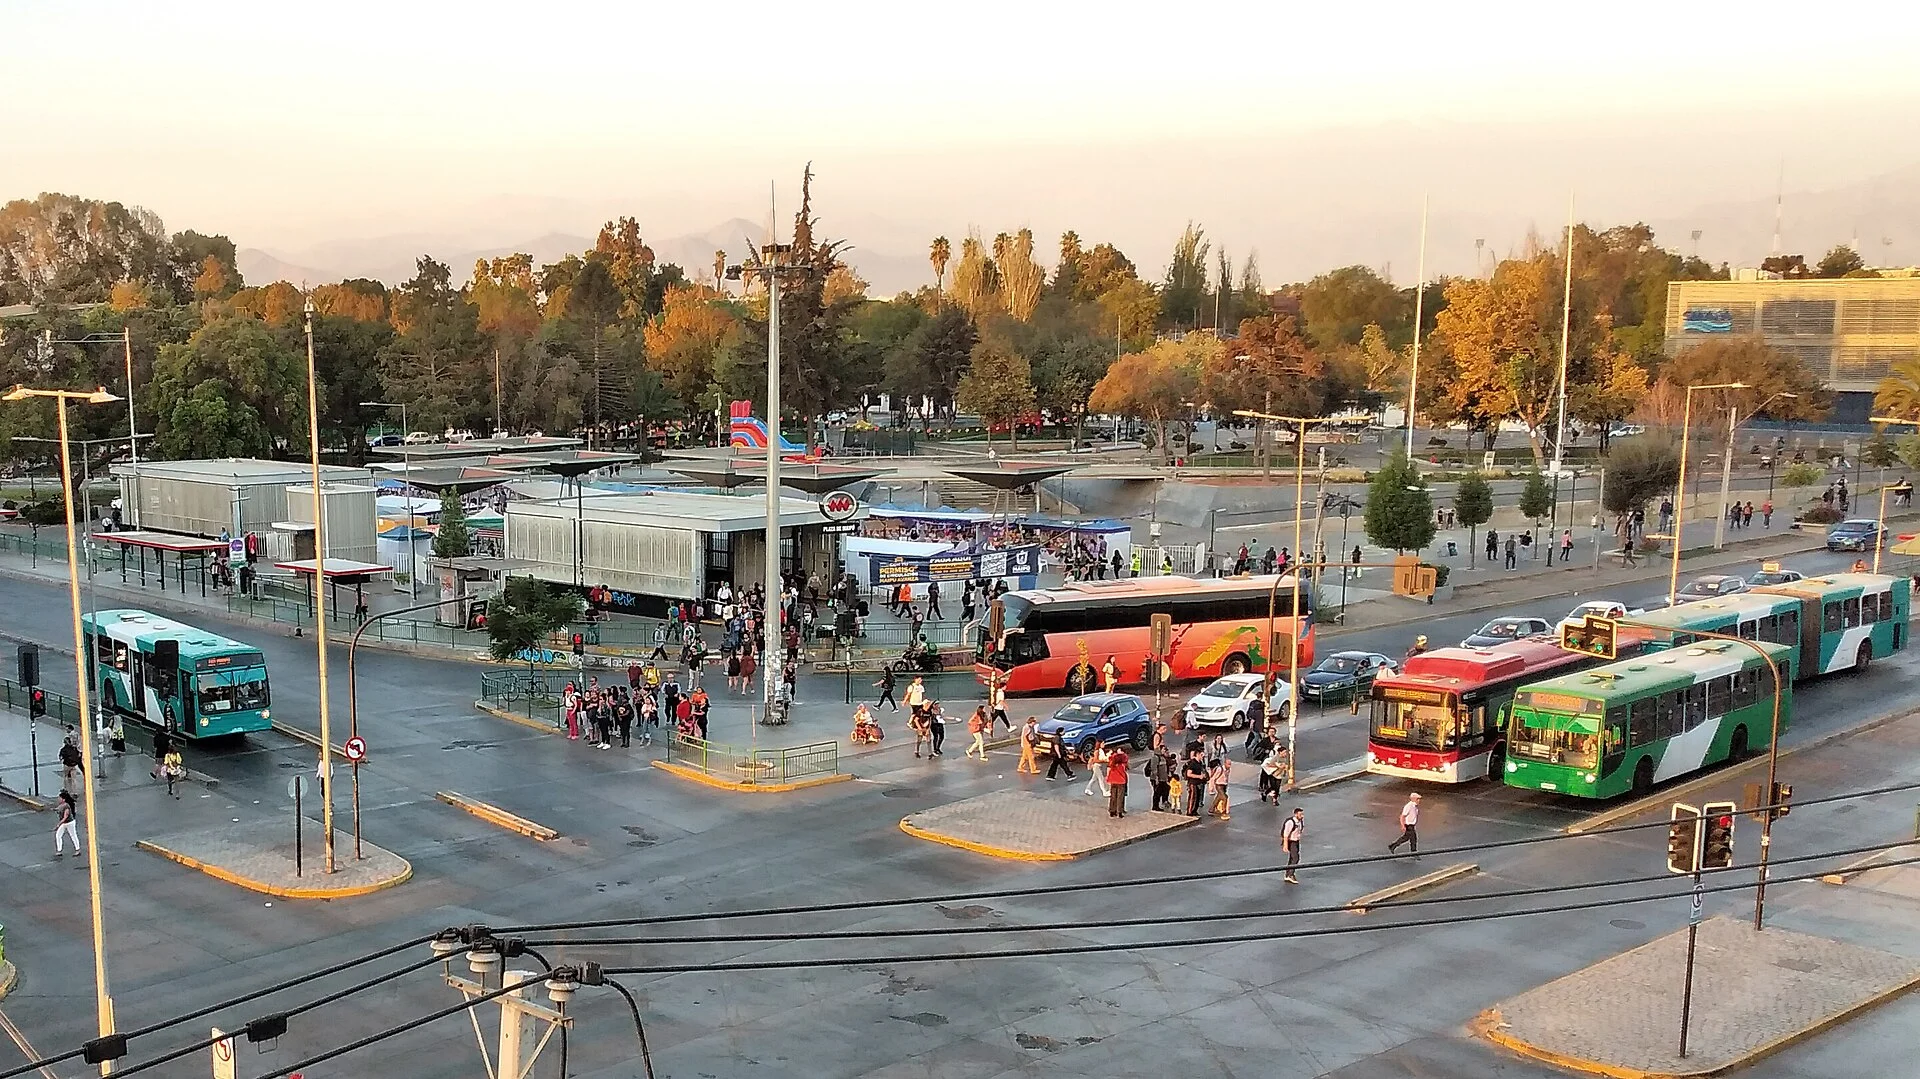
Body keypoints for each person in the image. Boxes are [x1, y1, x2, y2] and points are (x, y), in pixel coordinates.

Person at [1145, 744, 1175, 812]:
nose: (1165, 751)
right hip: (1157, 779)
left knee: (1164, 790)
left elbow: (1165, 769)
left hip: (1163, 779)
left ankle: (1161, 803)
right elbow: (1154, 769)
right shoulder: (1155, 758)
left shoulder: (1163, 758)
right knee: (1157, 793)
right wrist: (1156, 779)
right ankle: (1155, 807)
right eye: (1164, 749)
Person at [1180, 749, 1209, 816]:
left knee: (1198, 797)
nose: (1203, 756)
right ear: (1197, 754)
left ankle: (1194, 810)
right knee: (1193, 797)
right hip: (1193, 783)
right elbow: (1189, 774)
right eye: (1201, 755)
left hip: (1199, 783)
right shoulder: (1193, 763)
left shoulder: (1200, 763)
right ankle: (1189, 811)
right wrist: (1199, 776)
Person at [1106, 744, 1131, 818]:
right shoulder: (1123, 763)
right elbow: (1128, 767)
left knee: (1113, 796)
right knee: (1120, 796)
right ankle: (1119, 811)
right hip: (1121, 780)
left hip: (1113, 780)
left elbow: (1109, 764)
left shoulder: (1112, 762)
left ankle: (1112, 810)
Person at [54, 789, 81, 858]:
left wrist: (58, 824)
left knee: (73, 835)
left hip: (70, 823)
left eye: (60, 798)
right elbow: (59, 809)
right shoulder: (61, 805)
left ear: (63, 799)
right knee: (58, 835)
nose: (58, 799)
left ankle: (77, 849)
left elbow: (65, 817)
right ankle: (59, 851)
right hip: (64, 823)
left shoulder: (66, 806)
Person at [1281, 807, 1305, 883]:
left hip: (1296, 841)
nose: (1302, 816)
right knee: (1295, 858)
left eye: (1302, 814)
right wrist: (1285, 845)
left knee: (1292, 858)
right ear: (1295, 814)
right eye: (1300, 814)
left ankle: (1288, 874)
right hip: (1291, 842)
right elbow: (1285, 834)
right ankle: (1290, 875)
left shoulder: (1300, 821)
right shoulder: (1290, 822)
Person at [1207, 753, 1232, 820]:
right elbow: (1213, 778)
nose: (1229, 766)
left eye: (1230, 764)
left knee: (1218, 797)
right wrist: (1211, 788)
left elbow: (1226, 778)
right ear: (1225, 763)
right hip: (1219, 785)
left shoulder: (1228, 770)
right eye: (1228, 764)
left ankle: (1211, 810)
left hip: (1224, 785)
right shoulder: (1220, 769)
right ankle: (1223, 813)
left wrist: (1226, 785)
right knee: (1224, 798)